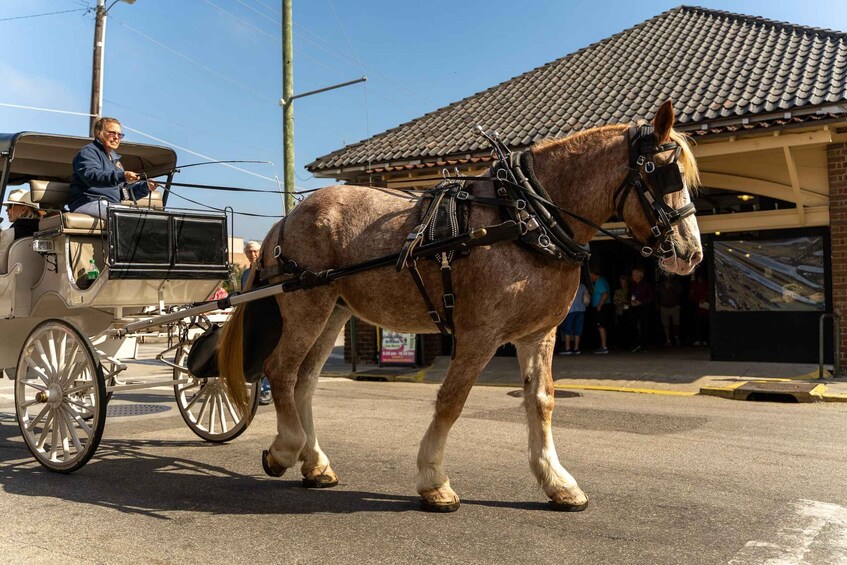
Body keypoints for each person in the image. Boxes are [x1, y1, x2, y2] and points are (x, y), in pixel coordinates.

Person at [69, 117, 158, 220]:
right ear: (98, 133)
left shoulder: (116, 160)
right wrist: (122, 176)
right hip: (88, 202)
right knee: (125, 216)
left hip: (110, 204)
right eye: (112, 133)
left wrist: (145, 187)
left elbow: (125, 193)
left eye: (119, 134)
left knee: (152, 217)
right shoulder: (88, 152)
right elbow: (91, 176)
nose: (116, 137)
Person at [241, 240, 272, 405]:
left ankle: (266, 390)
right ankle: (256, 388)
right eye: (249, 251)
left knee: (267, 354)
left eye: (255, 251)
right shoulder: (245, 274)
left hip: (264, 316)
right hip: (250, 317)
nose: (252, 254)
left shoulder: (266, 271)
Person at [0, 189, 44, 268]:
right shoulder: (47, 230)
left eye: (10, 206)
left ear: (23, 209)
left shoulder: (8, 234)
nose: (6, 210)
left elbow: (2, 266)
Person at [558, 281, 589, 355]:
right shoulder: (583, 286)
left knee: (567, 329)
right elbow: (586, 297)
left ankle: (567, 348)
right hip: (581, 309)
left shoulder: (569, 284)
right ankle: (576, 348)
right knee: (578, 329)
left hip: (570, 309)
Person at [629, 266, 654, 353]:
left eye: (634, 275)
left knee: (644, 326)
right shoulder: (633, 285)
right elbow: (632, 295)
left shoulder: (646, 285)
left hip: (644, 307)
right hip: (634, 307)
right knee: (634, 325)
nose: (632, 276)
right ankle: (635, 344)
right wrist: (632, 302)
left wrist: (641, 302)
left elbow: (650, 298)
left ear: (638, 275)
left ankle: (644, 345)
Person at [656, 275, 683, 346]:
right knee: (665, 324)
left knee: (676, 324)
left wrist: (672, 288)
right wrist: (658, 305)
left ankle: (676, 336)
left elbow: (680, 292)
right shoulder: (660, 285)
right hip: (664, 306)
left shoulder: (676, 284)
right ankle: (668, 340)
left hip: (674, 306)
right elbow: (657, 295)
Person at [590, 268, 611, 354]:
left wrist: (599, 305)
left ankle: (604, 346)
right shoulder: (601, 280)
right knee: (600, 326)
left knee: (601, 326)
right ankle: (602, 345)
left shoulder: (600, 281)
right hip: (601, 306)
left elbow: (605, 294)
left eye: (590, 275)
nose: (590, 278)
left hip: (602, 307)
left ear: (595, 274)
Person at [688, 272, 710, 346]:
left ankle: (705, 340)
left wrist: (705, 298)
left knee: (705, 324)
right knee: (698, 324)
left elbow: (709, 294)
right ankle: (698, 339)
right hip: (697, 307)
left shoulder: (706, 286)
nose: (699, 280)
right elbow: (691, 296)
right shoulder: (695, 286)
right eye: (698, 279)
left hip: (705, 308)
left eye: (700, 279)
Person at [612, 273, 632, 348]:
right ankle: (622, 343)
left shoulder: (631, 290)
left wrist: (629, 302)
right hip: (620, 311)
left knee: (629, 326)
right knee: (621, 327)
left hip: (629, 311)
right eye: (621, 282)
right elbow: (615, 301)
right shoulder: (617, 291)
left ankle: (629, 343)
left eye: (624, 282)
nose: (623, 284)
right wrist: (622, 302)